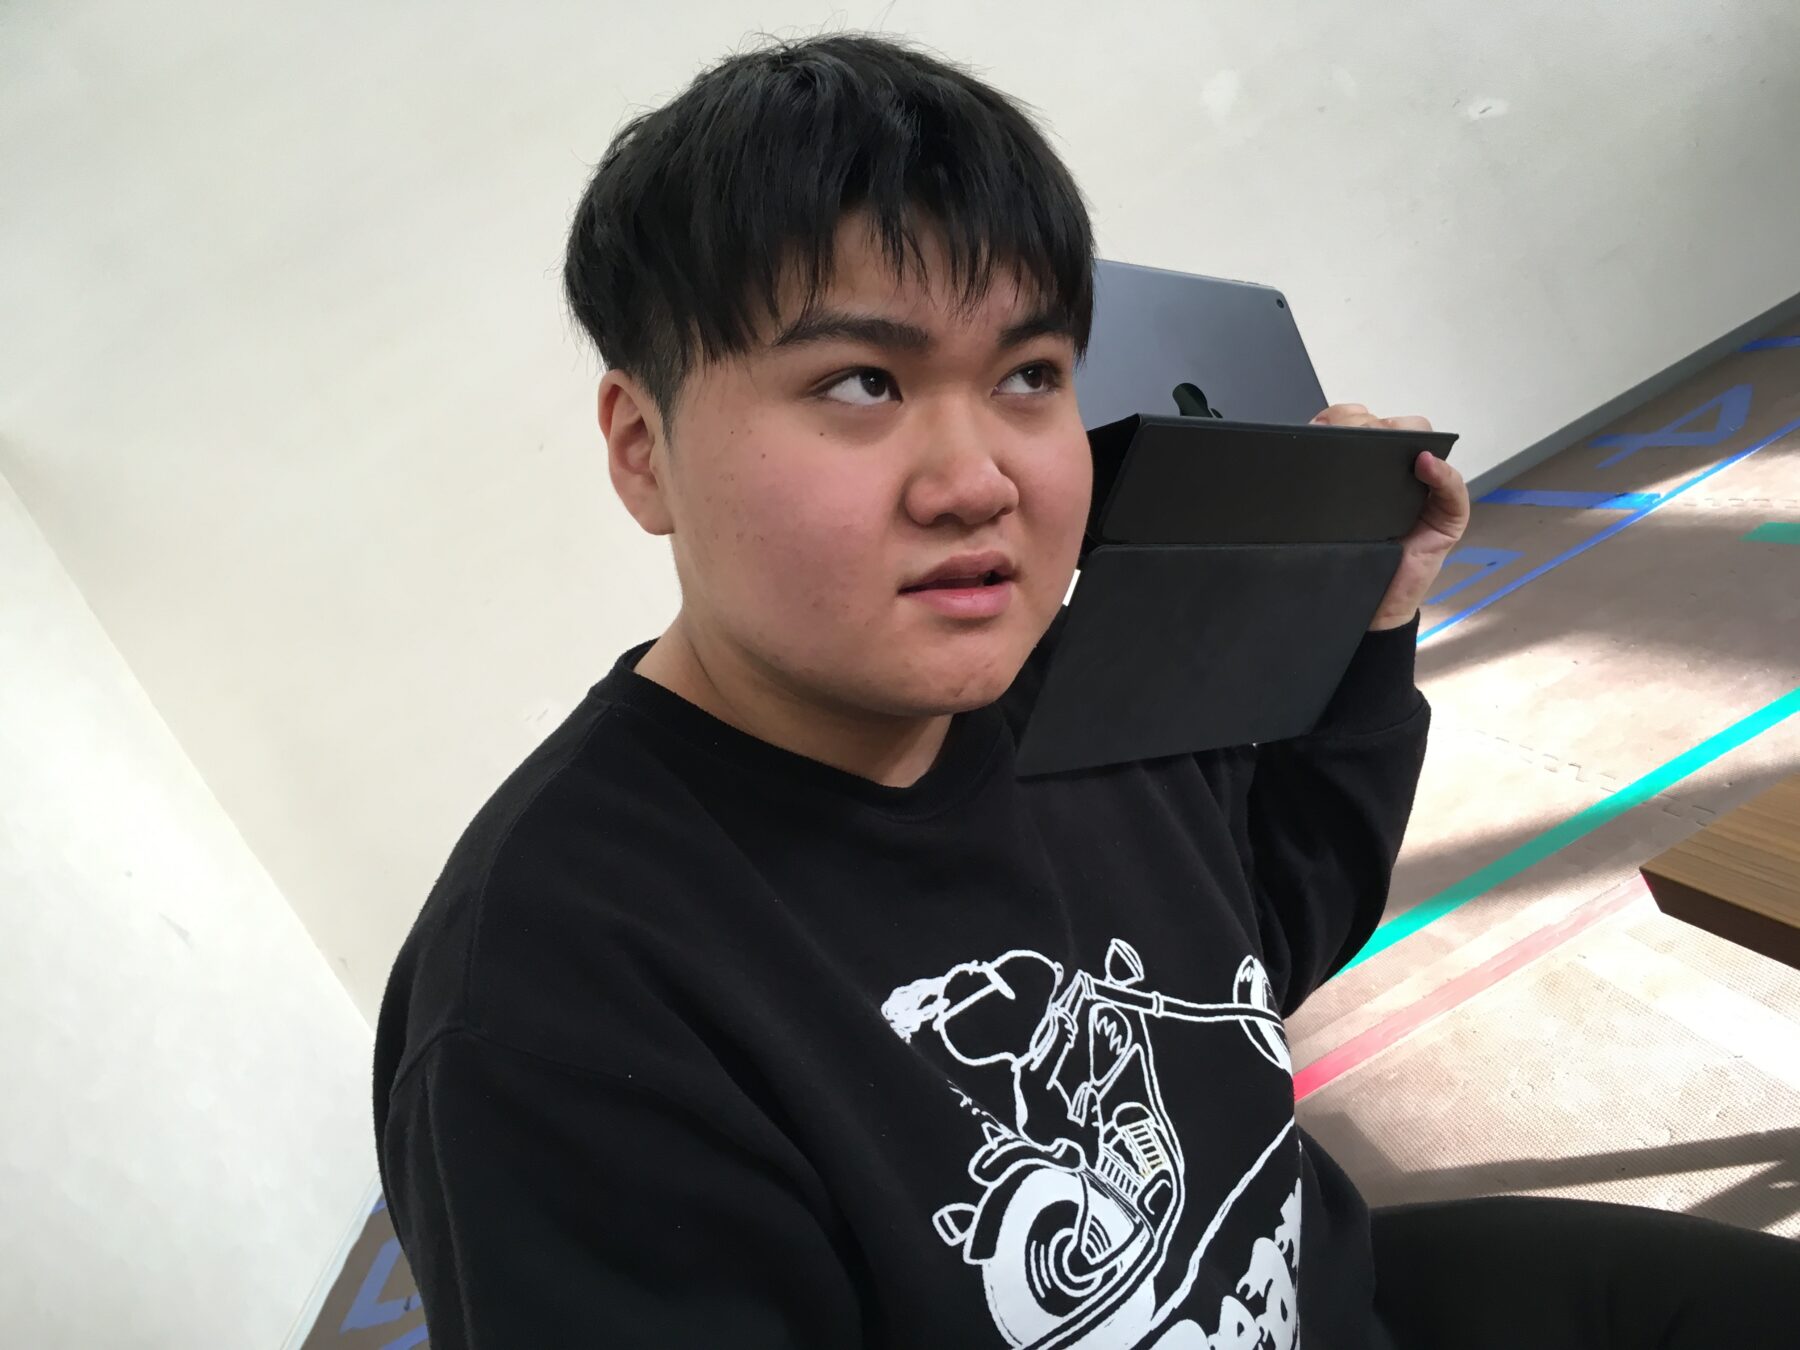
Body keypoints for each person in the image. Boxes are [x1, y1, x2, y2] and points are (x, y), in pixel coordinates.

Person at [373, 32, 1800, 1350]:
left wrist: (1363, 625)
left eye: (1029, 375)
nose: (976, 480)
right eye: (862, 382)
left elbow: (1255, 943)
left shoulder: (1071, 694)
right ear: (642, 447)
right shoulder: (551, 1011)